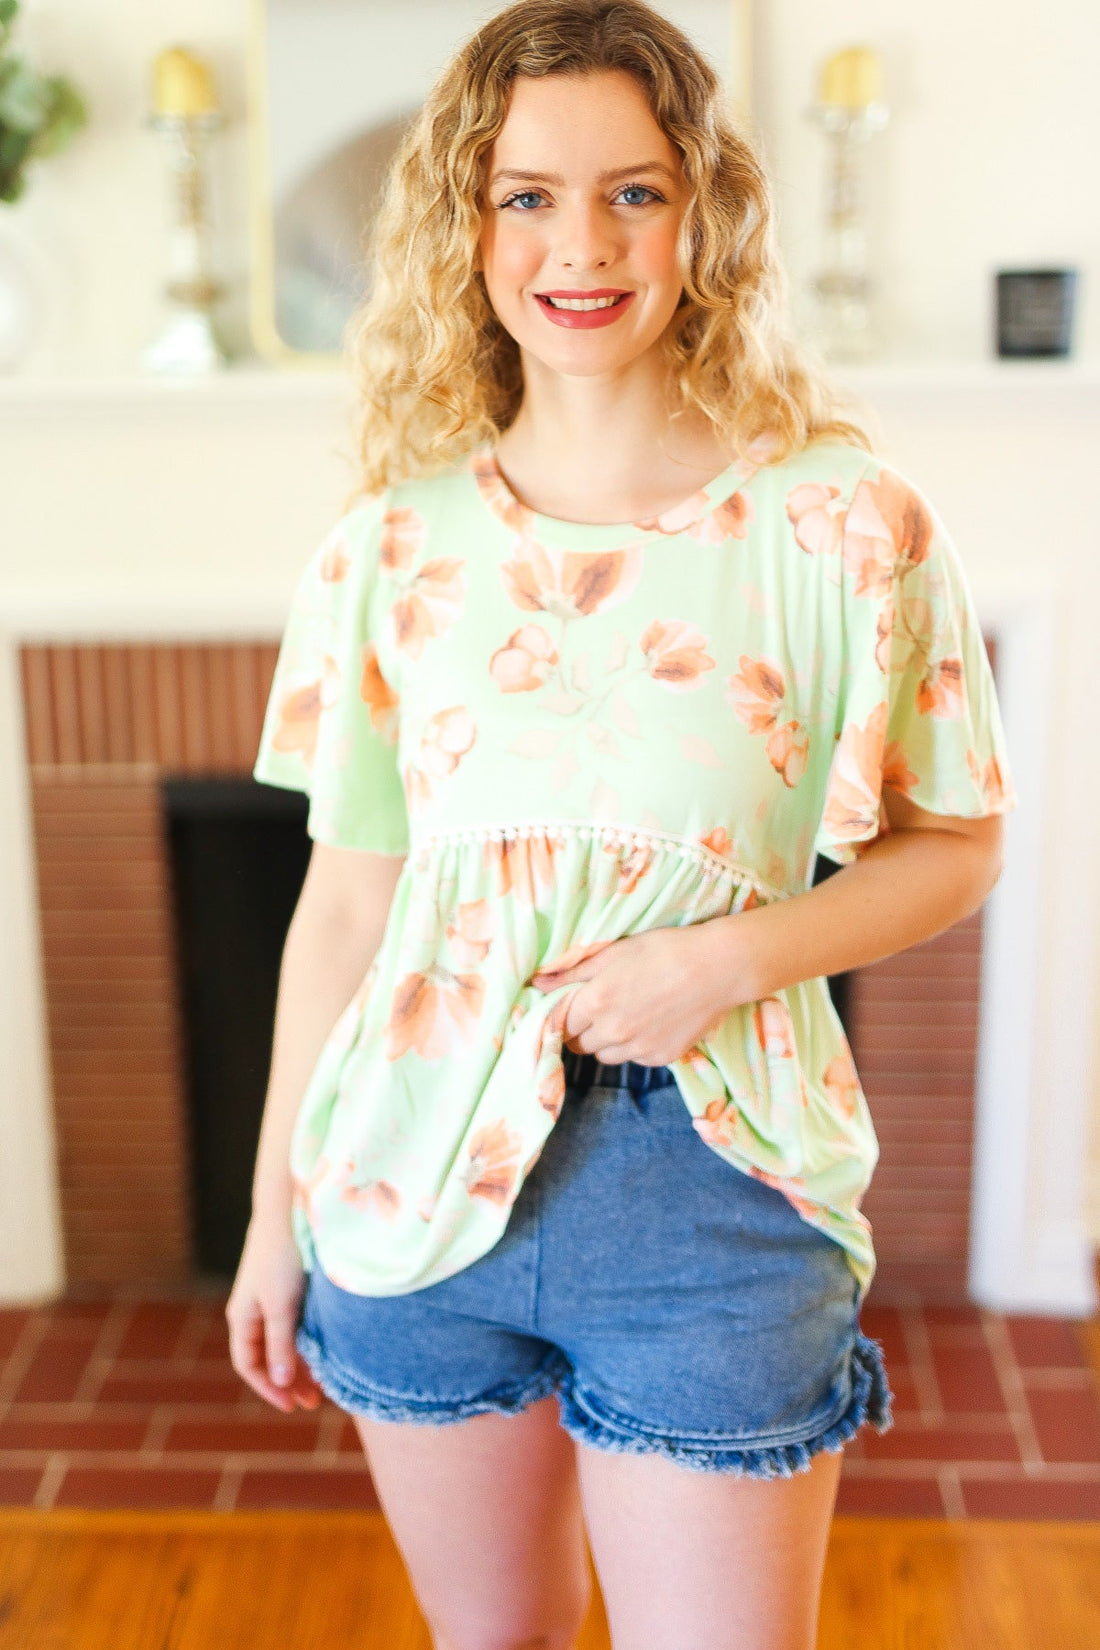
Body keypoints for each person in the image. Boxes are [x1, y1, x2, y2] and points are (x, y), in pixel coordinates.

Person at [226, 3, 1015, 1646]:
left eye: (633, 192)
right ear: (469, 224)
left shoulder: (841, 520)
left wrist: (718, 959)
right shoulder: (387, 547)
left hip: (715, 1193)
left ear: (701, 213)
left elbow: (957, 843)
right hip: (405, 1185)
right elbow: (347, 912)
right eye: (526, 195)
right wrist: (265, 1219)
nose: (579, 244)